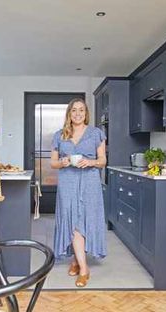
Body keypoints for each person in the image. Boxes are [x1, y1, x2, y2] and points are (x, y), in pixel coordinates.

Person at [50, 98, 107, 287]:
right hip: (68, 181)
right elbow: (53, 163)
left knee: (83, 219)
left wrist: (89, 162)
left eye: (81, 110)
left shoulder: (96, 133)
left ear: (86, 113)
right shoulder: (59, 135)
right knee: (72, 220)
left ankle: (78, 263)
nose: (77, 113)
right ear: (69, 113)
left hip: (90, 181)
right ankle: (83, 267)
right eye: (74, 110)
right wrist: (63, 162)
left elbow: (102, 161)